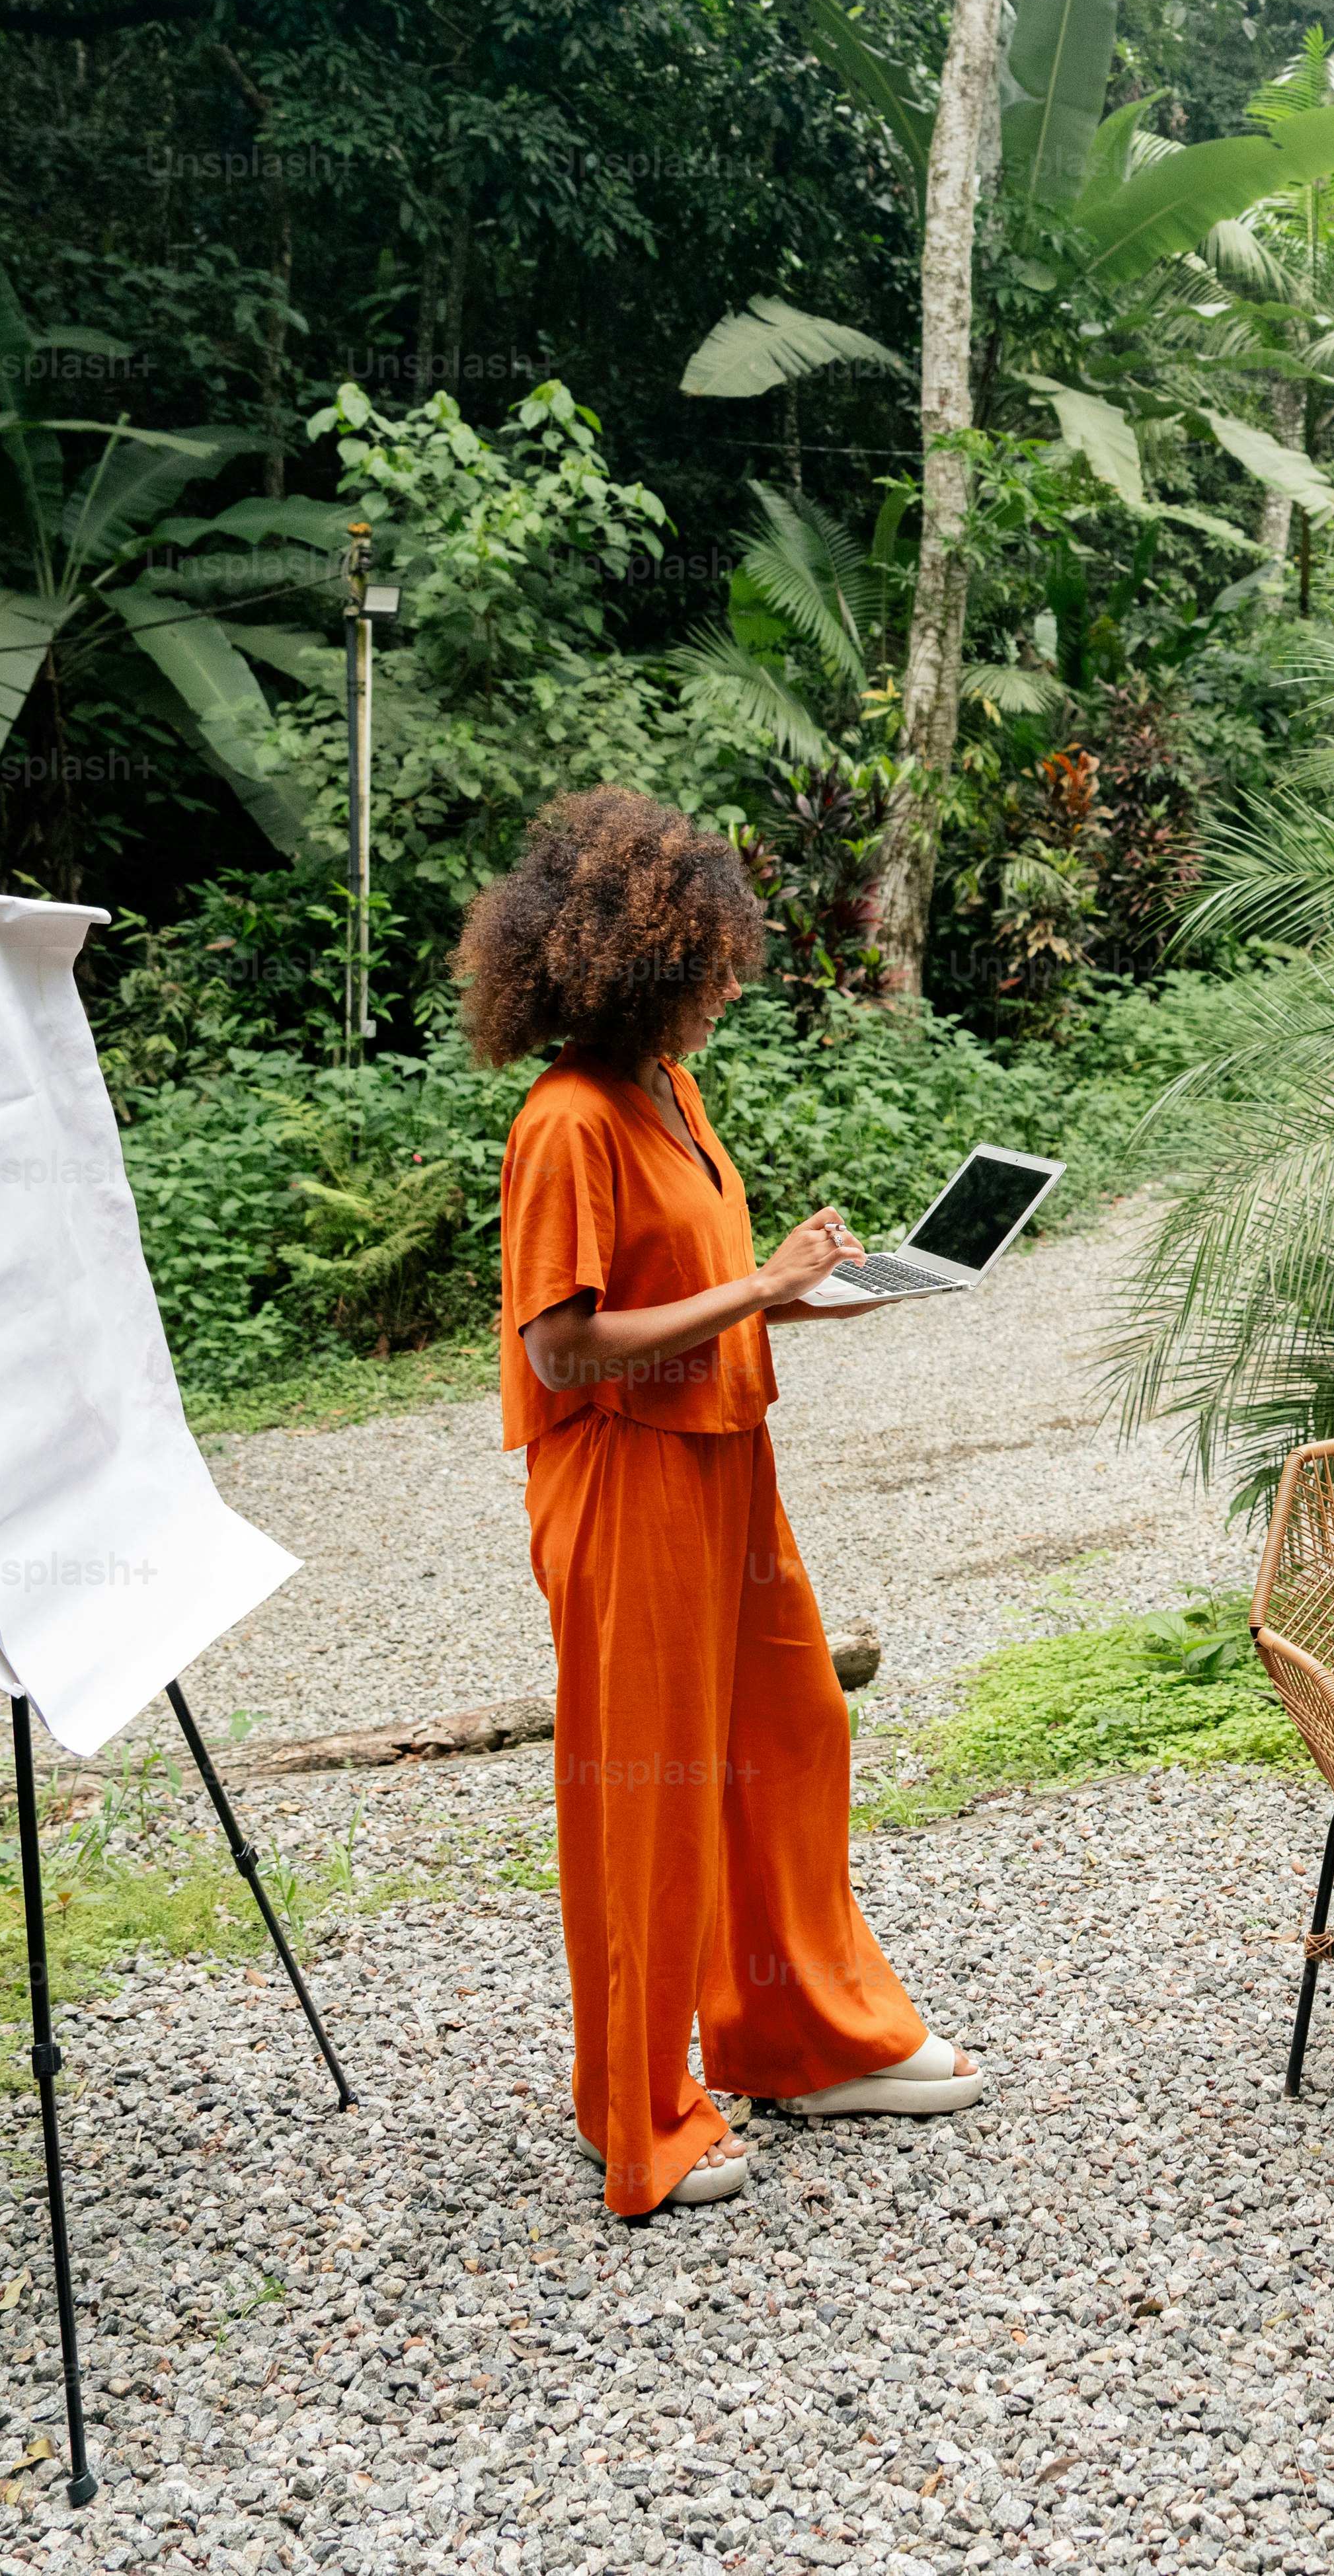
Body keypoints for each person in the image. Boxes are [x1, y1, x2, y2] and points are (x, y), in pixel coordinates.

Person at [466, 790, 982, 2222]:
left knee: (788, 1732)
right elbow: (560, 1348)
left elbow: (676, 1302)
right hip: (628, 1486)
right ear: (634, 966)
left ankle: (797, 2037)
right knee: (652, 1803)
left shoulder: (666, 1093)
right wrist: (755, 1286)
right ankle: (634, 2117)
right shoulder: (566, 1122)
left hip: (722, 1456)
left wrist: (806, 1299)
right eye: (710, 970)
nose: (730, 988)